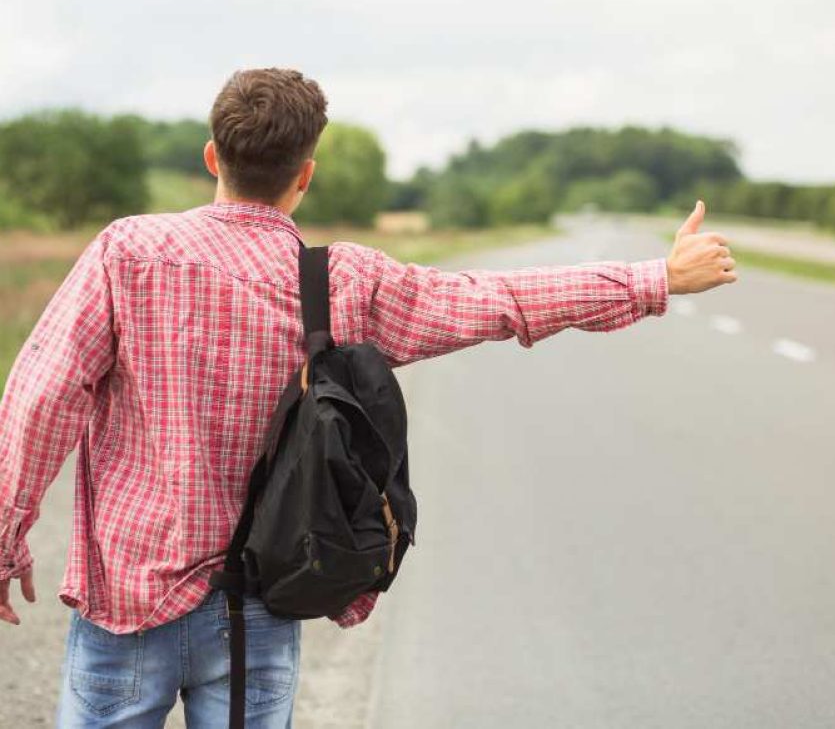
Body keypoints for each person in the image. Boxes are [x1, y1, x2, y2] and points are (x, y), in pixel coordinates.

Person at [0, 67, 737, 727]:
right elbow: (495, 300)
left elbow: (41, 398)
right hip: (264, 599)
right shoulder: (342, 280)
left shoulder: (127, 252)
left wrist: (7, 531)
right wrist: (655, 278)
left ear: (211, 157)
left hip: (127, 601)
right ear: (306, 175)